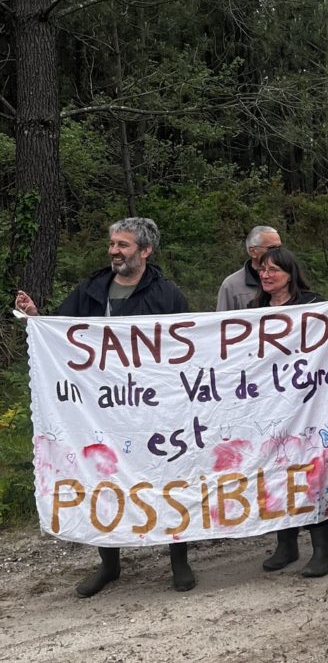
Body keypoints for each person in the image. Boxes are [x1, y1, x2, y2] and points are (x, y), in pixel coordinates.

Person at [15, 217, 194, 597]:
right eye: (112, 244)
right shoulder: (93, 289)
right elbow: (60, 331)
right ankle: (109, 564)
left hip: (152, 407)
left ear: (145, 251)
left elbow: (187, 347)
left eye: (123, 245)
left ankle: (179, 559)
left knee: (166, 477)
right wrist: (35, 316)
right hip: (100, 410)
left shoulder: (167, 294)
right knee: (102, 479)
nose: (114, 251)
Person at [250, 247, 328, 578]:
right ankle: (286, 545)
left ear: (290, 272)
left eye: (274, 269)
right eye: (262, 269)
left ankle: (323, 551)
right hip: (270, 407)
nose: (266, 275)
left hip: (309, 405)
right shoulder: (253, 310)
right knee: (276, 473)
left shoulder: (314, 306)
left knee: (312, 473)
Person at [216, 225, 281, 311]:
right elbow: (222, 322)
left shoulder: (289, 278)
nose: (278, 252)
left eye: (280, 248)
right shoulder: (232, 286)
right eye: (272, 248)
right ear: (253, 252)